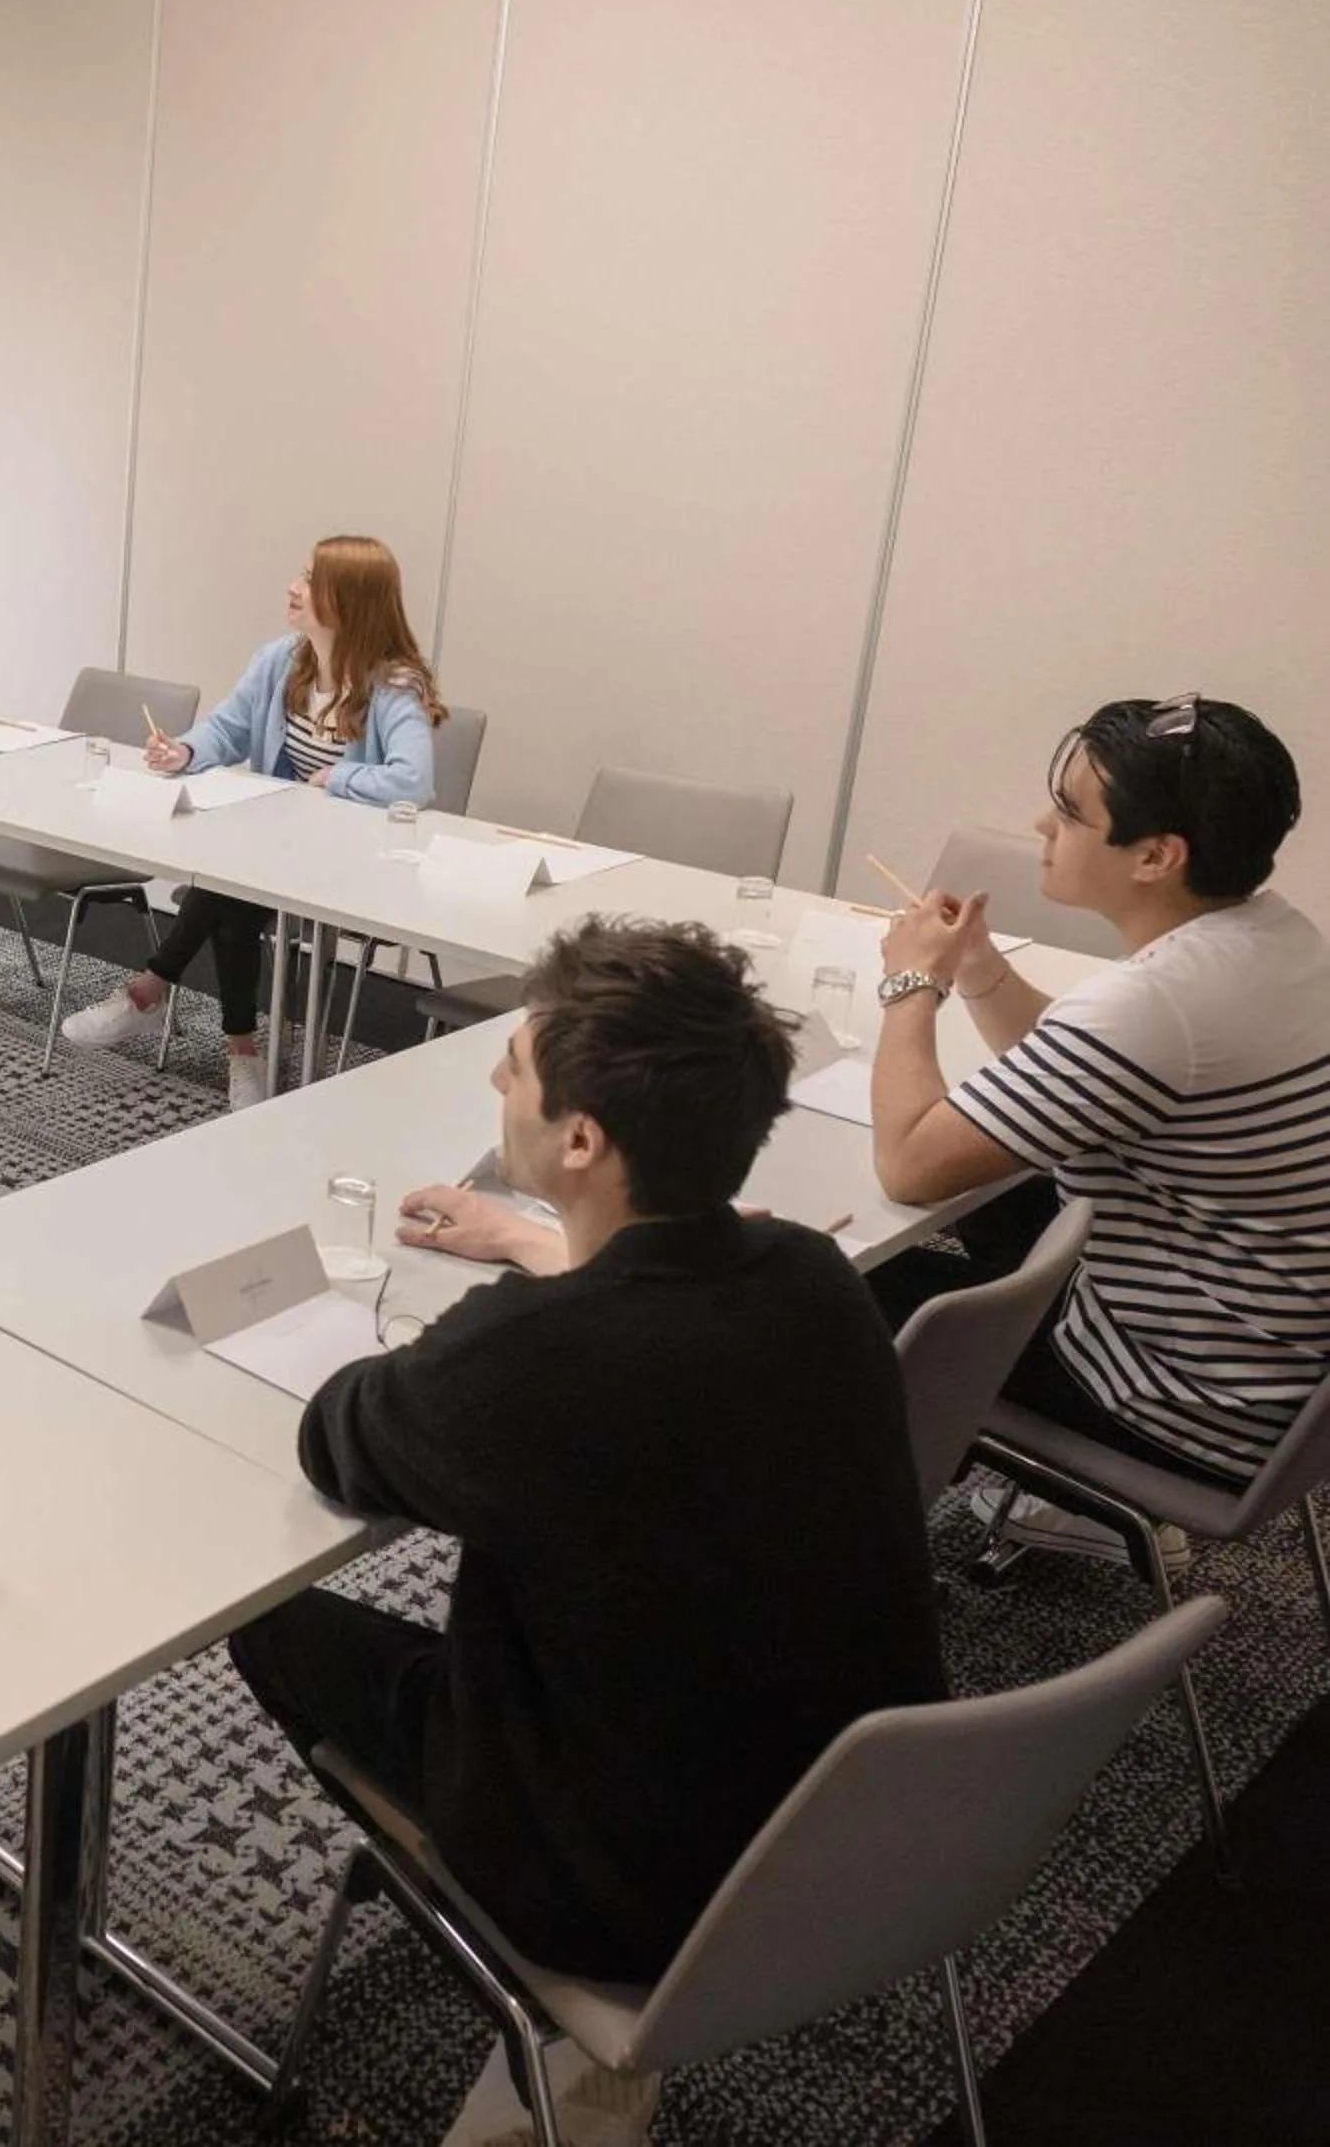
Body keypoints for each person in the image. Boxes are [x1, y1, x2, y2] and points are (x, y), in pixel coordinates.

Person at [228, 920, 942, 2134]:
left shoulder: (530, 1365)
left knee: (273, 1628)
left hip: (630, 1885)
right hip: (866, 1820)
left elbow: (342, 1432)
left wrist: (513, 1298)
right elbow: (646, 1320)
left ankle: (553, 2025)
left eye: (513, 1066)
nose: (494, 1082)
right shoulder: (815, 1279)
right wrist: (537, 1245)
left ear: (579, 1138)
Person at [869, 693, 1327, 1565]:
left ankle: (856, 1532)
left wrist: (910, 988)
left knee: (846, 1289)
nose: (1044, 823)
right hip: (1282, 1367)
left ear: (1156, 855)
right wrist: (976, 969)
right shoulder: (1272, 936)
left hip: (1183, 1402)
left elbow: (908, 1163)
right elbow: (1087, 1075)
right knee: (996, 1194)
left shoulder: (1153, 1004)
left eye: (1074, 812)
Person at [58, 535, 447, 1110]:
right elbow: (228, 730)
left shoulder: (392, 684)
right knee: (231, 899)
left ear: (349, 599)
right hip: (279, 845)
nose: (294, 587)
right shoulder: (281, 661)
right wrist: (184, 753)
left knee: (225, 886)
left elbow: (413, 782)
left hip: (350, 858)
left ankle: (152, 993)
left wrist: (334, 780)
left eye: (310, 580)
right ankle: (238, 1051)